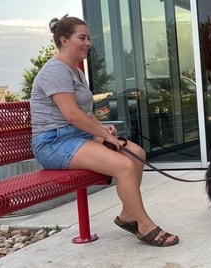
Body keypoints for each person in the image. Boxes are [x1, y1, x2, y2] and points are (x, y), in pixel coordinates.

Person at [30, 15, 178, 247]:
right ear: (64, 40)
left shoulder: (77, 72)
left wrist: (100, 131)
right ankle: (145, 226)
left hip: (75, 138)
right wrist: (105, 135)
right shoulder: (55, 71)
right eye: (82, 37)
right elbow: (71, 114)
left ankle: (128, 215)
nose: (88, 42)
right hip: (53, 143)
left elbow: (85, 114)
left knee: (136, 153)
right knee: (124, 165)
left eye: (88, 38)